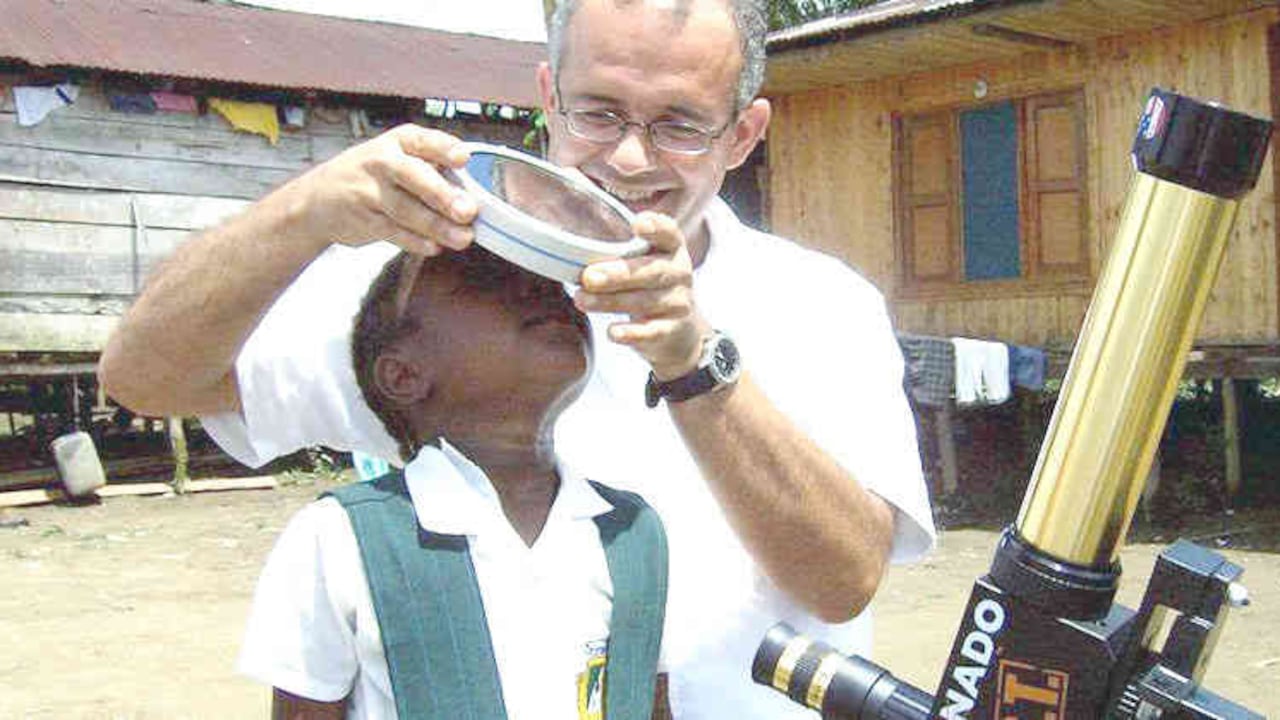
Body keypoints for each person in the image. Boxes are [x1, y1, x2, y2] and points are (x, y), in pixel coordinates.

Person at [98, 0, 936, 717]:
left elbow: (842, 581)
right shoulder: (436, 284)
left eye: (680, 124)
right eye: (598, 112)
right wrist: (305, 212)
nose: (630, 158)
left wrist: (695, 365)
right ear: (548, 96)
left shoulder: (824, 304)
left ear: (744, 132)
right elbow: (145, 380)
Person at [239, 244, 670, 719]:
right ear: (404, 374)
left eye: (552, 283)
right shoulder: (340, 537)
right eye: (486, 280)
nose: (543, 292)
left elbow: (647, 700)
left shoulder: (630, 532)